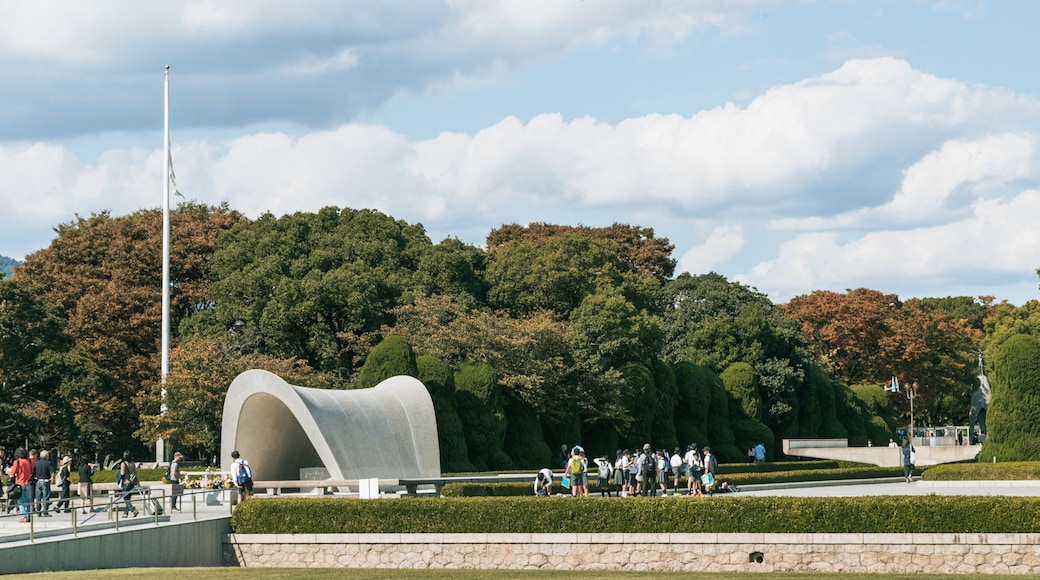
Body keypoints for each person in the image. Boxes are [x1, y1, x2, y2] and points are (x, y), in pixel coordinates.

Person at [7, 447, 33, 523]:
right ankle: (28, 516)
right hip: (28, 483)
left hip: (19, 484)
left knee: (21, 501)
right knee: (28, 501)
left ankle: (24, 516)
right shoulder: (28, 461)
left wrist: (7, 471)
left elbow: (12, 473)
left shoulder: (17, 462)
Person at [32, 449, 54, 517]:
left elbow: (33, 472)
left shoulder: (36, 463)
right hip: (46, 481)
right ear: (46, 456)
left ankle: (38, 511)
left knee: (38, 497)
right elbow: (52, 472)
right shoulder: (48, 463)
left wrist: (35, 477)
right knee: (46, 497)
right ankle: (45, 511)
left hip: (38, 481)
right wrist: (52, 478)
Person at [119, 451, 139, 517]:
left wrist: (120, 479)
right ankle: (125, 513)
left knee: (125, 499)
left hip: (126, 483)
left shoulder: (123, 464)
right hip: (131, 483)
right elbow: (135, 474)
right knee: (128, 499)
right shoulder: (133, 464)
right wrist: (138, 483)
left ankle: (133, 510)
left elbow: (122, 473)